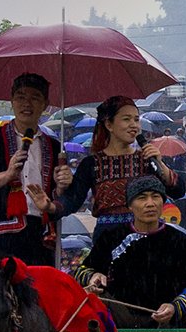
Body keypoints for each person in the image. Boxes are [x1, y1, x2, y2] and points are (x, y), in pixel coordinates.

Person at [77, 175, 186, 329]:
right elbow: (81, 271)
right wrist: (93, 275)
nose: (150, 204)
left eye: (155, 197)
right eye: (142, 198)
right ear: (130, 205)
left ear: (163, 202)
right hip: (120, 315)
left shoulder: (179, 240)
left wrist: (174, 307)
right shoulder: (111, 237)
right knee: (92, 308)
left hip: (168, 316)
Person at [0, 72, 65, 266]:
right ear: (12, 101)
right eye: (21, 97)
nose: (27, 104)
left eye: (35, 98)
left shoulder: (55, 147)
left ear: (45, 105)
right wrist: (6, 176)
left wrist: (64, 186)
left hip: (40, 238)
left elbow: (60, 199)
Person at [57, 95, 166, 254]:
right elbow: (72, 201)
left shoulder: (146, 159)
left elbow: (176, 190)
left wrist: (160, 163)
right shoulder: (91, 164)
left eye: (136, 120)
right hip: (107, 238)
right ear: (109, 124)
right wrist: (55, 199)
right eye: (126, 119)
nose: (133, 125)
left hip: (145, 232)